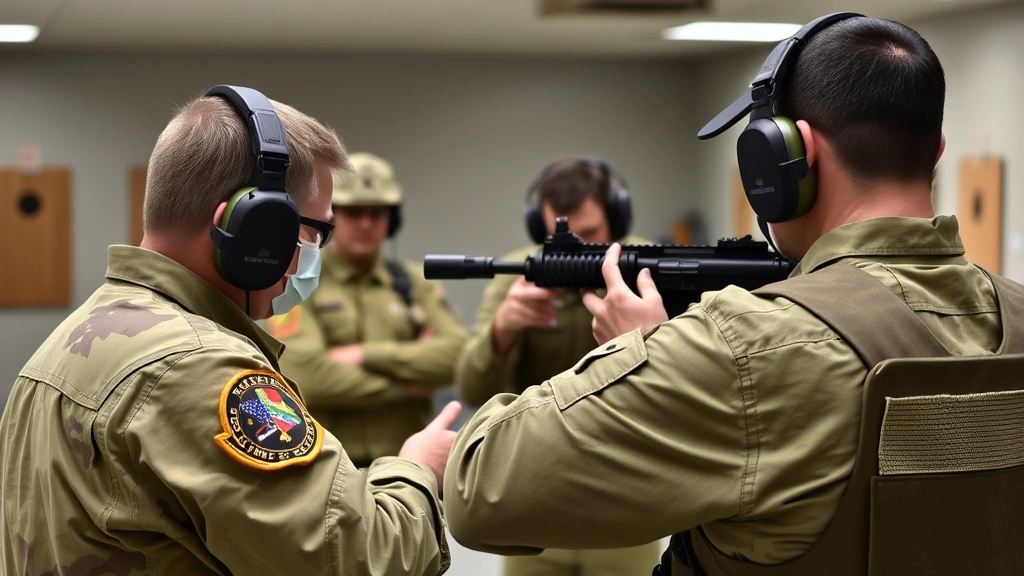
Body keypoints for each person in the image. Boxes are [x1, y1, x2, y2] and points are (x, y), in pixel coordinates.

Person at [443, 14, 1024, 574]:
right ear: (938, 151)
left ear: (793, 156)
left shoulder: (744, 349)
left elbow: (480, 485)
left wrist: (642, 350)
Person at [0, 86, 458, 574]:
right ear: (250, 229)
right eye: (312, 233)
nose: (314, 254)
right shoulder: (196, 368)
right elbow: (366, 559)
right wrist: (417, 470)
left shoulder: (75, 337)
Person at [453, 156, 662, 575]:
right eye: (559, 238)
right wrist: (503, 330)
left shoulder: (648, 270)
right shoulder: (521, 275)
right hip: (537, 497)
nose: (575, 250)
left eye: (589, 235)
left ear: (616, 219)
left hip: (625, 495)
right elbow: (471, 389)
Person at [267, 152, 467, 468]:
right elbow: (307, 376)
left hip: (408, 464)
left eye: (377, 213)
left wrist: (363, 355)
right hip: (328, 466)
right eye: (354, 212)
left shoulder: (414, 284)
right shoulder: (301, 280)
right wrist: (406, 386)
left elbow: (457, 356)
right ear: (332, 216)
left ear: (392, 220)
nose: (365, 223)